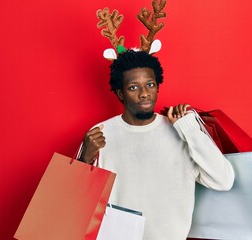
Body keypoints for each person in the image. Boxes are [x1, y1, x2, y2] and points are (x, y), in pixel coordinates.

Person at [78, 50, 235, 240]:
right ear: (120, 93)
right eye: (134, 87)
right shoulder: (101, 133)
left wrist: (191, 130)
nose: (144, 94)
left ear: (157, 87)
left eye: (150, 85)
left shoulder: (181, 131)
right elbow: (79, 203)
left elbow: (224, 180)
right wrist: (84, 159)